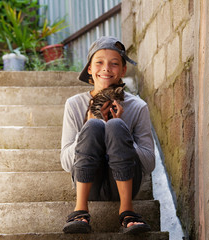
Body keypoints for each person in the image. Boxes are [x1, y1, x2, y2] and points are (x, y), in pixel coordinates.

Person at [60, 36, 155, 234]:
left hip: (126, 182)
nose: (106, 69)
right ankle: (80, 210)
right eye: (99, 63)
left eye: (114, 64)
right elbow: (66, 162)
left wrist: (122, 130)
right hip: (88, 183)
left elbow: (149, 164)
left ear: (123, 70)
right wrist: (88, 124)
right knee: (94, 126)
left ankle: (127, 211)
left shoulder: (138, 107)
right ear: (89, 69)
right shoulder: (74, 105)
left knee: (116, 125)